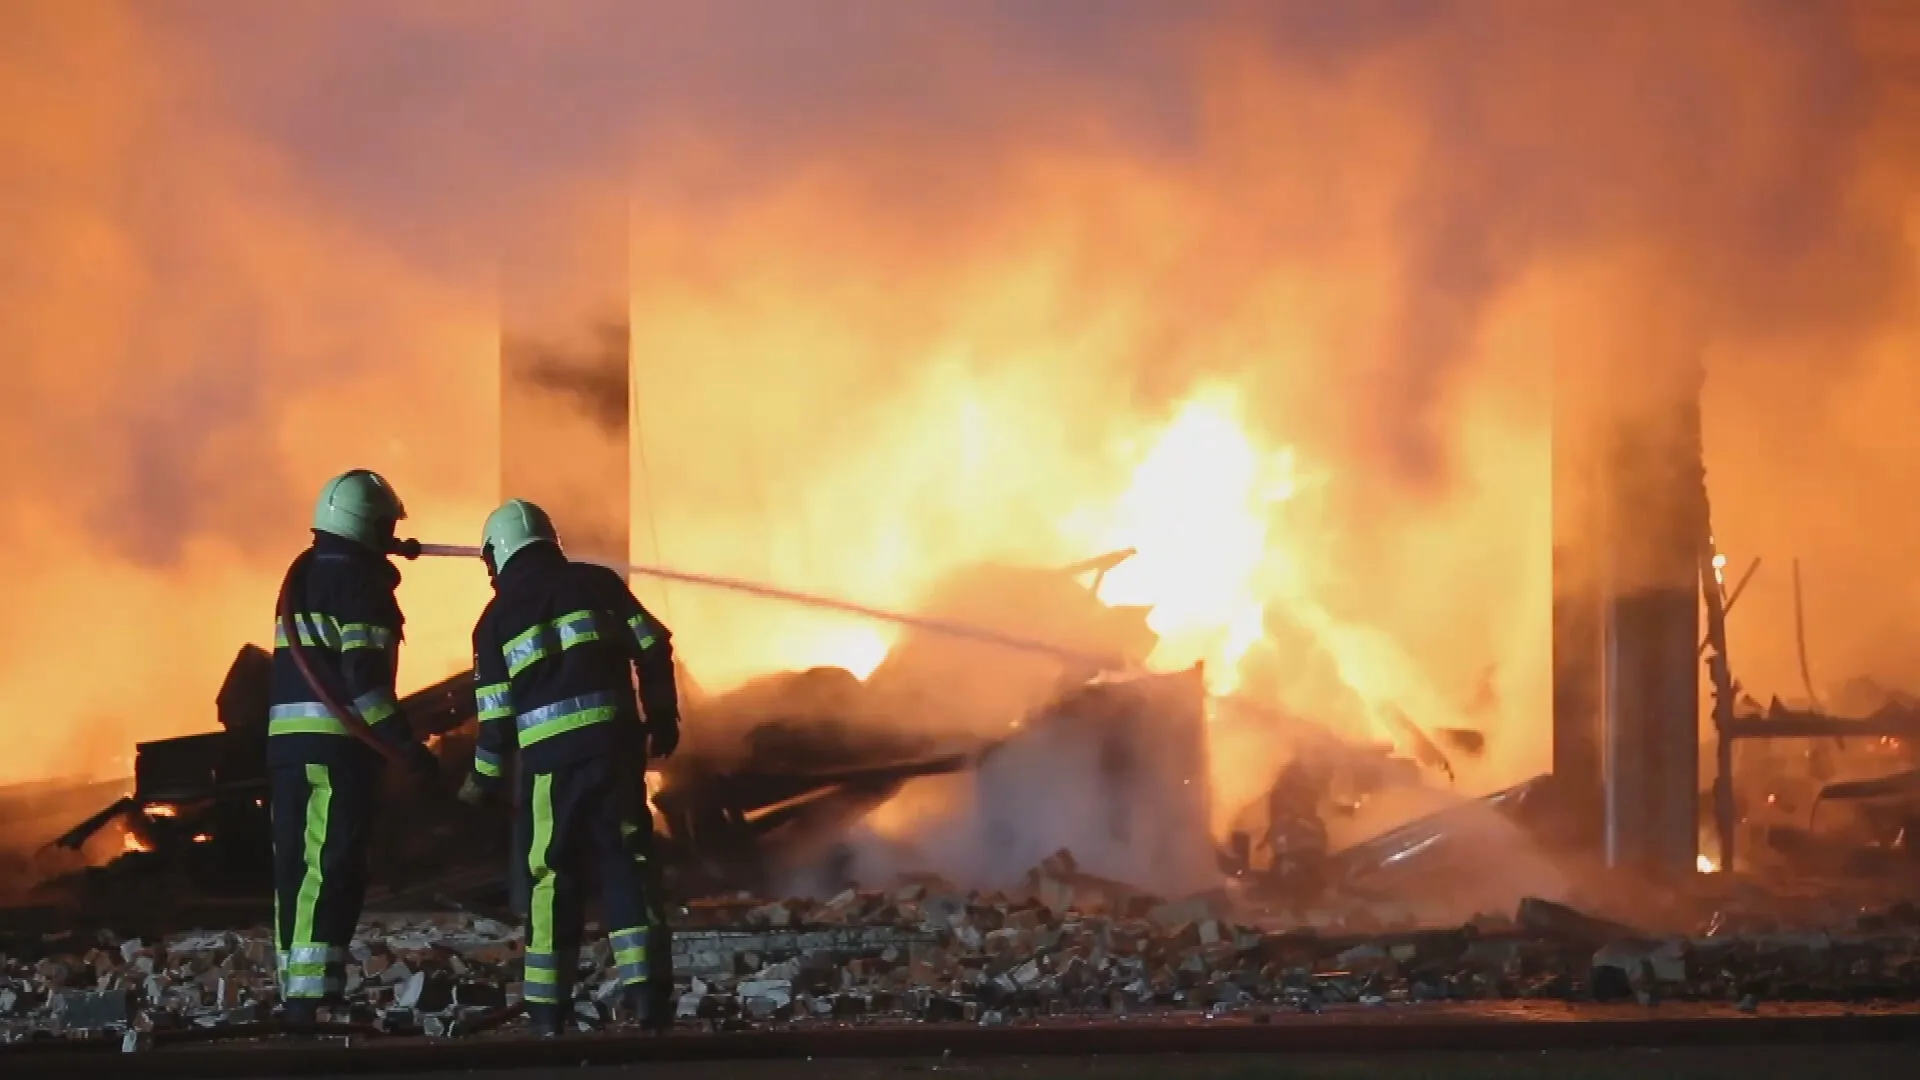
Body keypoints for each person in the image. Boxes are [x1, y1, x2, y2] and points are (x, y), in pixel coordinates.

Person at [458, 498, 681, 1035]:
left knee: (551, 876)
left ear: (498, 553)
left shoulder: (493, 624)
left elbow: (496, 722)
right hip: (615, 753)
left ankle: (547, 1012)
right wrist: (663, 717)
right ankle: (649, 1000)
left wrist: (481, 783)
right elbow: (654, 646)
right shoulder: (598, 583)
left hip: (550, 768)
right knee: (628, 864)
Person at [267, 468, 440, 1023]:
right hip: (334, 748)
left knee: (295, 866)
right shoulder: (362, 588)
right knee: (330, 865)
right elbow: (364, 683)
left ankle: (297, 986)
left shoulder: (306, 575)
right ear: (372, 525)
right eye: (388, 524)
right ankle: (310, 998)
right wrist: (406, 748)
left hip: (287, 747)